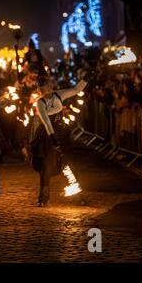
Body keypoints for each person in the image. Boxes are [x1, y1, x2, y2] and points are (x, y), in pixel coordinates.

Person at [30, 72, 93, 207]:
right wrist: (53, 139)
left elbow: (76, 90)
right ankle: (43, 197)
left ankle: (79, 196)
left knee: (69, 163)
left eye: (45, 88)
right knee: (46, 165)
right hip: (47, 136)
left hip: (62, 134)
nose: (43, 91)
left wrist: (86, 79)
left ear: (49, 86)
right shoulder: (40, 103)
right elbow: (46, 122)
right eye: (40, 89)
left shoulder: (59, 94)